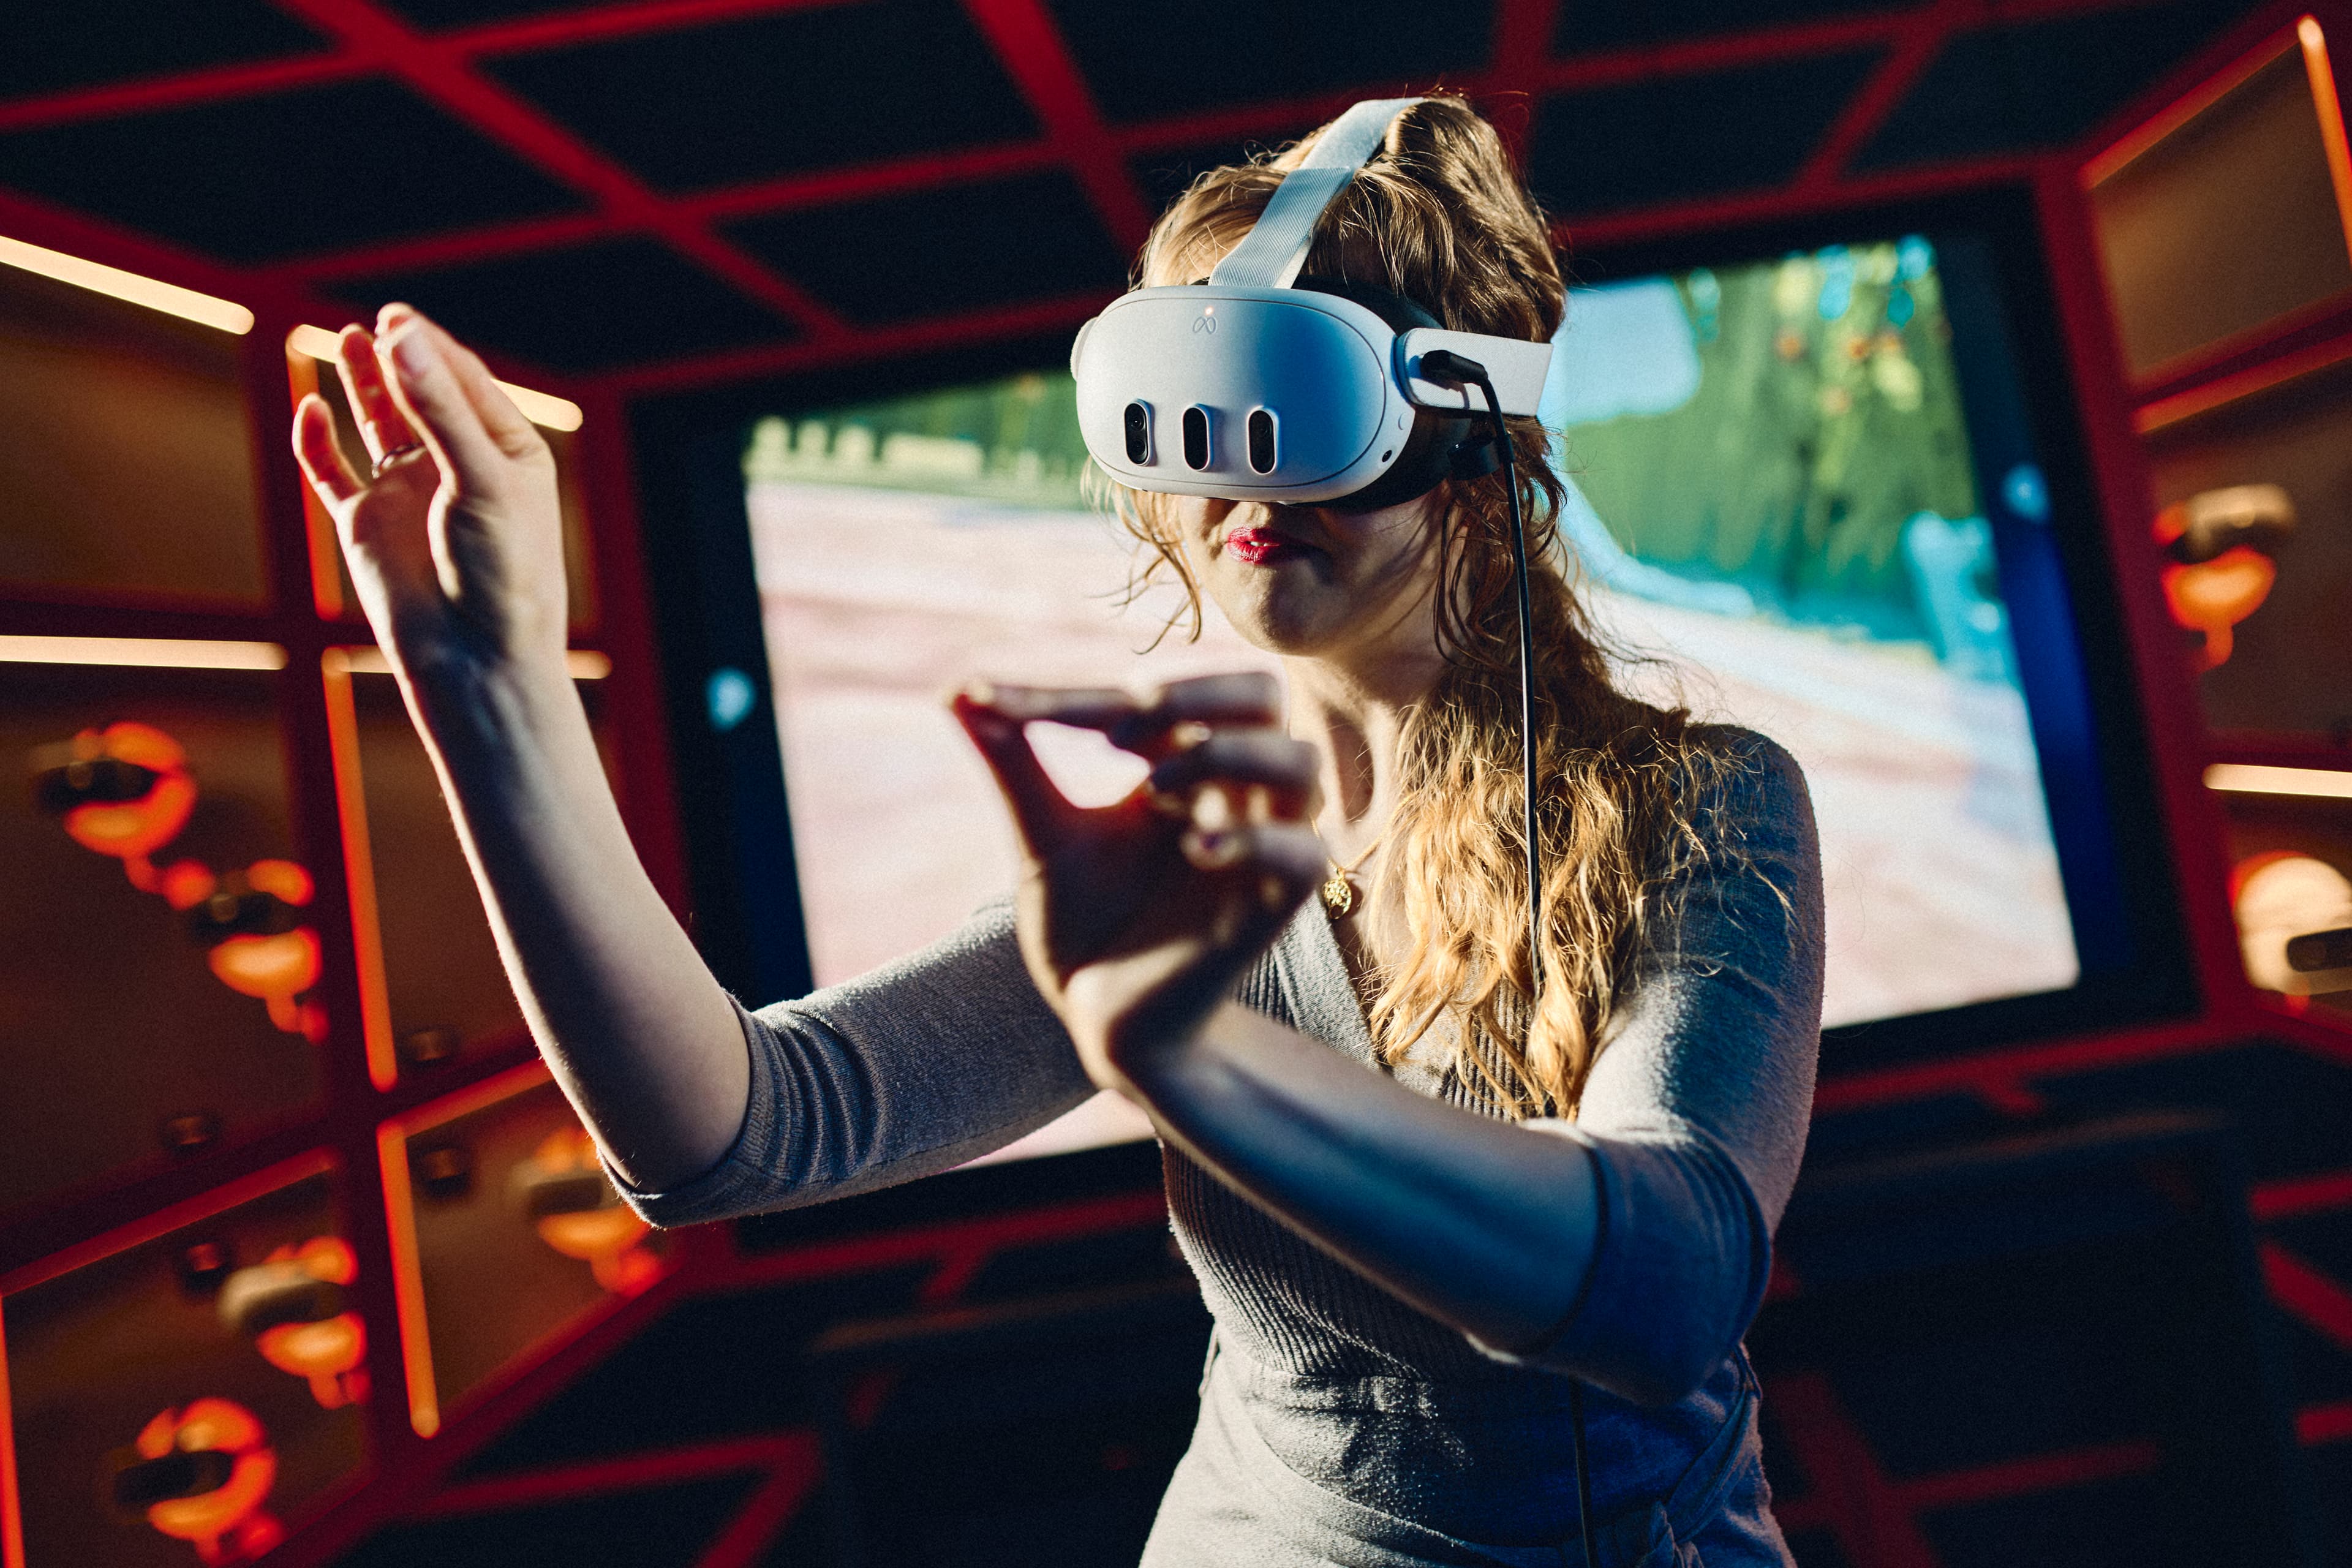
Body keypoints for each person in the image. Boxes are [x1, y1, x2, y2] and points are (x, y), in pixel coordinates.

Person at [292, 96, 1820, 1568]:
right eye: (1193, 399)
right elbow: (734, 1129)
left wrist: (1189, 1049)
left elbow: (1662, 1289)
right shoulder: (1186, 860)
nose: (1238, 461)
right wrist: (489, 696)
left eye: (1297, 391)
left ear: (1471, 438)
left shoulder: (1699, 805)